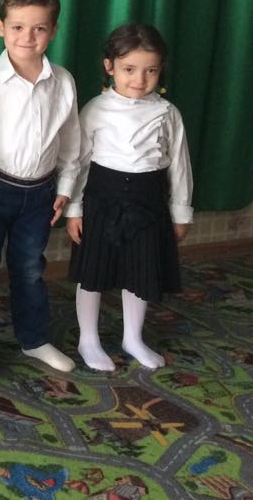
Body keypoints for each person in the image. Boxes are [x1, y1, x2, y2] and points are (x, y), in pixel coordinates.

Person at [0, 0, 81, 377]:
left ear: (54, 30)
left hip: (40, 193)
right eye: (17, 27)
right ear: (1, 27)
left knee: (29, 268)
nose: (27, 37)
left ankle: (34, 339)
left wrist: (65, 189)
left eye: (39, 28)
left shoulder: (63, 81)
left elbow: (71, 141)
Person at [66, 24, 191, 371]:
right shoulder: (95, 109)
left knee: (141, 272)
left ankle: (132, 338)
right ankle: (88, 340)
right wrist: (74, 209)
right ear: (110, 67)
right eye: (130, 69)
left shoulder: (167, 113)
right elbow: (78, 162)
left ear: (161, 70)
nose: (140, 79)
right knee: (93, 273)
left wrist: (181, 212)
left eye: (151, 70)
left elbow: (179, 165)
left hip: (148, 204)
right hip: (101, 202)